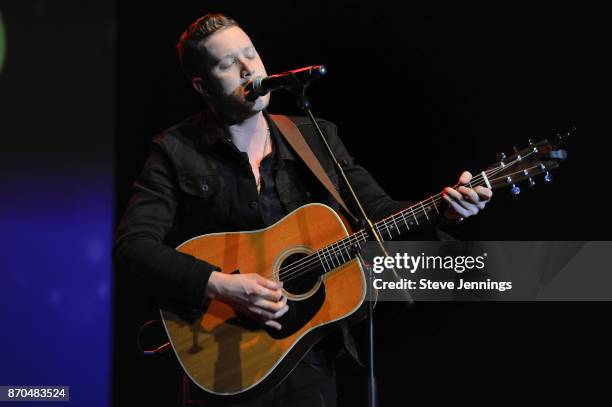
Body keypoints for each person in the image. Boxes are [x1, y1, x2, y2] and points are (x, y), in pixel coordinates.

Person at [112, 13, 492, 407]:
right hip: (221, 360)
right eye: (229, 65)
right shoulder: (175, 150)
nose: (248, 70)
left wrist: (446, 211)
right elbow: (132, 248)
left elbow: (377, 214)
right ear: (202, 86)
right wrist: (222, 285)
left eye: (251, 55)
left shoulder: (314, 136)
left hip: (308, 361)